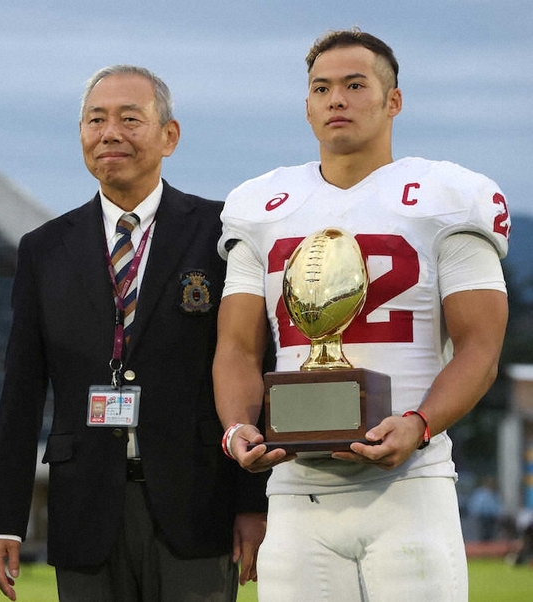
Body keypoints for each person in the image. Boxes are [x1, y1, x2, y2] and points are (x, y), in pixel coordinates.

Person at [213, 29, 510, 601]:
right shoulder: (261, 206)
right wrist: (237, 429)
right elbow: (237, 349)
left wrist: (420, 425)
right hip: (297, 489)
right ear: (306, 105)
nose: (337, 100)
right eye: (322, 88)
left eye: (355, 85)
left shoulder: (449, 196)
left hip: (409, 485)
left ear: (392, 100)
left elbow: (481, 349)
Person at [0, 64, 268, 602]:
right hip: (85, 508)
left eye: (129, 119)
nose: (109, 132)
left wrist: (253, 501)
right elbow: (20, 396)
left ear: (170, 136)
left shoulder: (222, 232)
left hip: (197, 506)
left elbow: (254, 362)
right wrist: (4, 519)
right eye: (96, 119)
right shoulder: (44, 248)